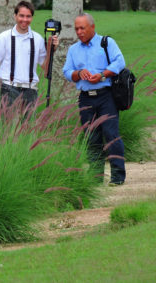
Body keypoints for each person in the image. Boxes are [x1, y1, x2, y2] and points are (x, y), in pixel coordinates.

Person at [63, 13, 126, 186]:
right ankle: (96, 177)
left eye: (82, 28)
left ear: (92, 27)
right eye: (76, 28)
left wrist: (102, 74)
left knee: (111, 134)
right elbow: (67, 71)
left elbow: (120, 62)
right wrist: (77, 73)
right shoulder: (73, 50)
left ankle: (118, 176)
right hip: (85, 99)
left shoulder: (106, 43)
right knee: (91, 137)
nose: (79, 32)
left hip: (106, 96)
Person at [0, 1, 58, 108]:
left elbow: (45, 70)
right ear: (15, 16)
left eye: (28, 16)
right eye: (21, 16)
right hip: (8, 88)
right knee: (7, 124)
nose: (25, 20)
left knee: (30, 124)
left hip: (31, 90)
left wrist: (50, 50)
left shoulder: (38, 39)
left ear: (32, 18)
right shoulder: (4, 37)